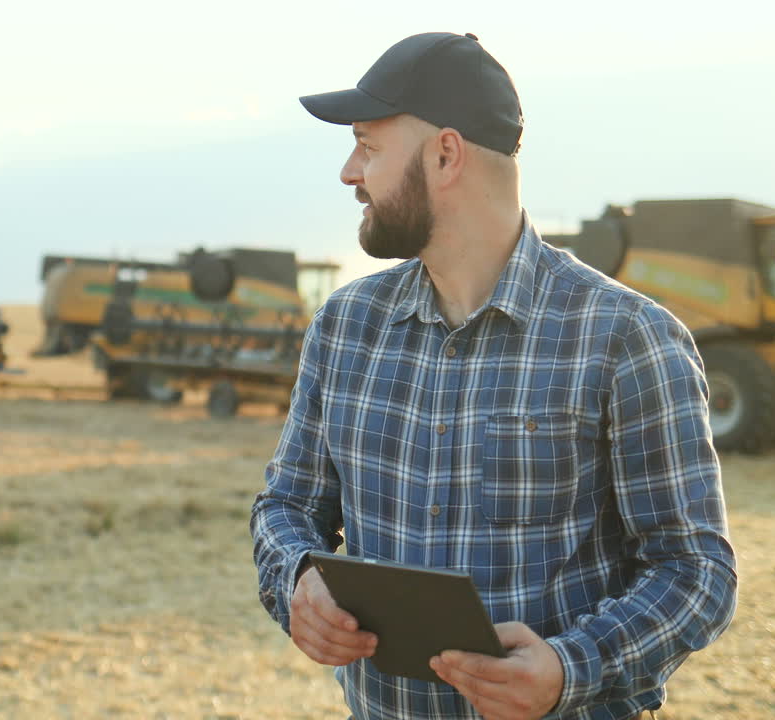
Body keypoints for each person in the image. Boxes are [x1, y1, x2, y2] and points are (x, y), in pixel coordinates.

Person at [249, 32, 737, 720]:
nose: (348, 171)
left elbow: (697, 573)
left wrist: (573, 666)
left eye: (368, 144)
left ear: (445, 155)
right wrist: (297, 578)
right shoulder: (344, 326)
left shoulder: (628, 337)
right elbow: (285, 508)